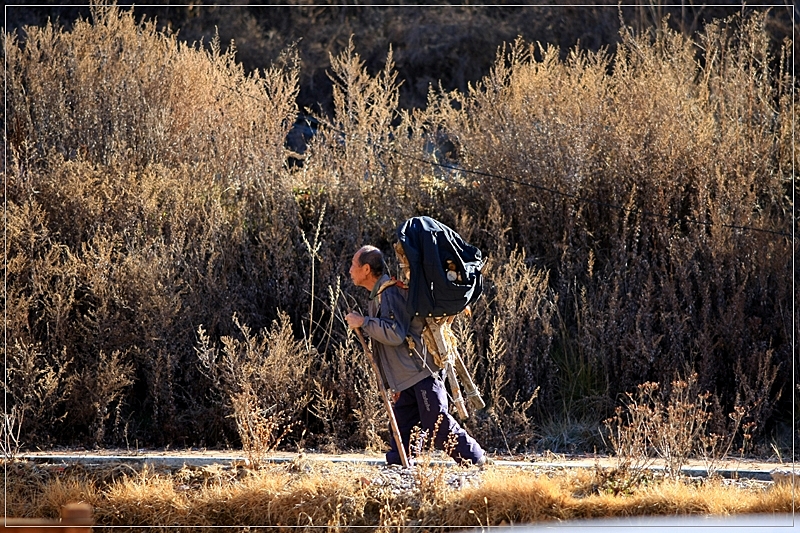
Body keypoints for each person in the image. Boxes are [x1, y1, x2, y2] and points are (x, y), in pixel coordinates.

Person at [345, 245, 487, 467]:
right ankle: (399, 470)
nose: (349, 270)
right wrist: (393, 383)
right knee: (403, 430)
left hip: (421, 374)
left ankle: (476, 460)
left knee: (437, 424)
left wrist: (364, 323)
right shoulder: (379, 295)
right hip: (406, 379)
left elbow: (395, 333)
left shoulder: (389, 293)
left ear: (365, 269)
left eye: (353, 265)